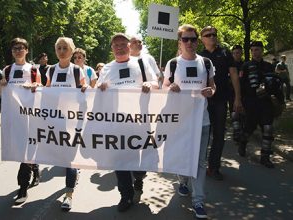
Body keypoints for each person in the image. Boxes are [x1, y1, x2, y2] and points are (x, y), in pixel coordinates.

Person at [97, 33, 158, 212]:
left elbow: (156, 81)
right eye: (116, 45)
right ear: (112, 48)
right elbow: (98, 91)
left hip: (140, 121)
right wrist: (101, 88)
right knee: (119, 160)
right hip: (117, 122)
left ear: (129, 47)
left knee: (140, 158)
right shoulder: (107, 68)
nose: (120, 47)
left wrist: (150, 85)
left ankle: (139, 177)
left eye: (123, 44)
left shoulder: (141, 63)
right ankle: (126, 195)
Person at [163, 24, 216, 219]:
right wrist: (171, 87)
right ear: (180, 42)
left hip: (202, 121)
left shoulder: (207, 63)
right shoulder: (173, 64)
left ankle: (199, 200)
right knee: (183, 156)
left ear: (197, 41)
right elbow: (164, 86)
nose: (190, 43)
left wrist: (212, 91)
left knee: (200, 161)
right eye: (186, 39)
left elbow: (213, 86)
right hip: (179, 121)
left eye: (193, 39)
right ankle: (183, 181)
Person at [45, 37, 88, 211]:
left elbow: (85, 91)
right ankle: (73, 174)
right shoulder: (50, 70)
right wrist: (34, 88)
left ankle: (69, 194)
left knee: (70, 158)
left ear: (71, 51)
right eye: (59, 48)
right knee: (63, 157)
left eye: (65, 48)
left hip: (73, 121)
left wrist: (85, 89)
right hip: (56, 121)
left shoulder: (77, 71)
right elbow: (45, 91)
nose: (61, 51)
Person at [0, 38, 42, 205]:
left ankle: (22, 188)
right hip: (14, 118)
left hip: (30, 117)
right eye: (15, 48)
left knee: (27, 149)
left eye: (21, 48)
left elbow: (40, 89)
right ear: (12, 51)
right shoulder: (7, 70)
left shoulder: (32, 69)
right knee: (21, 149)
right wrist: (1, 85)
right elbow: (3, 94)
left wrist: (35, 85)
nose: (18, 50)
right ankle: (36, 168)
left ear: (26, 50)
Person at [199, 26, 243, 180]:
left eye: (214, 34)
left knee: (219, 135)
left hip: (220, 101)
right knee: (201, 135)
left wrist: (237, 98)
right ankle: (198, 165)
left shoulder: (225, 53)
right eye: (208, 35)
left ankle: (213, 167)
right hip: (201, 103)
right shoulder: (198, 56)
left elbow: (234, 75)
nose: (212, 37)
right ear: (202, 39)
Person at [238, 41, 285, 168]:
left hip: (265, 103)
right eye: (252, 50)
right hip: (251, 103)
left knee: (268, 128)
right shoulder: (246, 66)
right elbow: (241, 85)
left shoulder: (269, 66)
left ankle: (265, 157)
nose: (255, 52)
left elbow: (275, 85)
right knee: (249, 128)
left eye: (257, 49)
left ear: (262, 51)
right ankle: (242, 143)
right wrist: (239, 102)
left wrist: (281, 101)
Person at [230, 45, 245, 142]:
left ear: (241, 53)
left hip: (244, 91)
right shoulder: (230, 65)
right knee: (234, 111)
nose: (236, 55)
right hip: (231, 91)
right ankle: (236, 131)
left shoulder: (245, 65)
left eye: (238, 53)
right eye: (234, 53)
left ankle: (242, 129)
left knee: (243, 111)